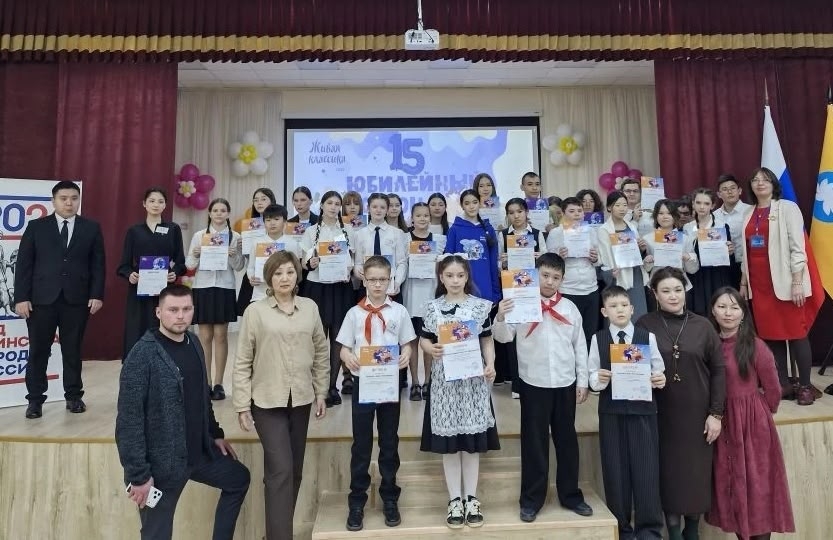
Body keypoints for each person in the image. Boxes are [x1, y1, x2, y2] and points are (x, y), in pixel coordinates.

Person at [116, 285, 249, 540]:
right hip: (162, 468)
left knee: (238, 479)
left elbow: (201, 397)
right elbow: (128, 422)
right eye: (173, 310)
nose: (180, 316)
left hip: (199, 454)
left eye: (186, 309)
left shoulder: (194, 343)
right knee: (156, 535)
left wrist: (215, 434)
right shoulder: (142, 355)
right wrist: (139, 476)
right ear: (158, 312)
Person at [234, 251, 328, 540]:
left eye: (289, 272)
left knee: (294, 471)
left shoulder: (310, 308)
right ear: (269, 278)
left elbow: (321, 351)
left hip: (301, 398)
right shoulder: (256, 312)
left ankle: (275, 533)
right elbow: (242, 360)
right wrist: (241, 404)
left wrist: (321, 390)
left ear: (297, 275)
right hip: (266, 401)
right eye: (278, 273)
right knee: (281, 470)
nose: (284, 278)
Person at [493, 253, 593, 522]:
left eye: (555, 277)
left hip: (564, 382)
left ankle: (570, 495)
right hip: (533, 382)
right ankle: (531, 499)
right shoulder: (520, 304)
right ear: (535, 275)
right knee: (534, 442)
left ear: (562, 280)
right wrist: (501, 315)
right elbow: (504, 337)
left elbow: (580, 346)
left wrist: (582, 380)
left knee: (567, 441)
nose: (549, 282)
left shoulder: (570, 308)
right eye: (545, 275)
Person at [636, 266, 726, 540]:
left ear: (686, 291)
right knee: (669, 476)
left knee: (696, 474)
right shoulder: (644, 325)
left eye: (678, 289)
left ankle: (692, 531)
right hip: (661, 414)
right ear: (655, 294)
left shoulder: (703, 326)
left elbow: (719, 371)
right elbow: (635, 367)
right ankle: (674, 532)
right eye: (666, 291)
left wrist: (716, 414)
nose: (673, 296)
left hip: (698, 414)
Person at [706, 287, 794, 540]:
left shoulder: (755, 346)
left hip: (752, 426)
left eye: (734, 307)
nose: (728, 313)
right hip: (722, 424)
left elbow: (773, 389)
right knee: (733, 486)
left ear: (743, 313)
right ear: (713, 311)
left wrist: (758, 413)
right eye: (722, 307)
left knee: (758, 489)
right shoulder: (709, 345)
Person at [336, 255, 416, 531]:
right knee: (361, 443)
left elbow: (408, 343)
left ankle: (390, 496)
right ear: (364, 281)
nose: (378, 285)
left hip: (389, 383)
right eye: (373, 280)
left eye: (383, 279)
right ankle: (357, 500)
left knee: (389, 441)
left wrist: (406, 354)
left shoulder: (399, 312)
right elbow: (344, 347)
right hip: (363, 383)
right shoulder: (354, 314)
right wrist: (347, 357)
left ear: (390, 280)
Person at [419, 254, 499, 528]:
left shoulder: (479, 307)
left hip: (473, 383)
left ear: (467, 277)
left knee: (471, 445)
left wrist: (490, 364)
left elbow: (487, 340)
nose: (455, 280)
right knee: (450, 446)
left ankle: (471, 498)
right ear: (441, 278)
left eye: (460, 276)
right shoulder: (432, 308)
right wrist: (430, 348)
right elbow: (424, 339)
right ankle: (454, 499)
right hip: (445, 384)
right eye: (450, 276)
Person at [14, 180, 106, 419]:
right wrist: (21, 297)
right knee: (38, 351)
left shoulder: (91, 228)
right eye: (63, 198)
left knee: (72, 350)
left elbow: (98, 265)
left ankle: (73, 396)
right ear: (53, 201)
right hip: (41, 300)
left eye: (74, 198)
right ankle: (35, 400)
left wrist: (97, 294)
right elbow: (24, 265)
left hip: (77, 299)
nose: (69, 203)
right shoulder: (36, 227)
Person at [740, 167, 824, 405]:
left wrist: (797, 282)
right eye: (755, 180)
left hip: (786, 284)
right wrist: (744, 282)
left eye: (765, 179)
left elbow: (798, 248)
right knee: (771, 336)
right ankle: (784, 384)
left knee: (797, 334)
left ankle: (805, 387)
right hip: (759, 286)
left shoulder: (787, 208)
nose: (760, 183)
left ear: (773, 184)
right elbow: (745, 251)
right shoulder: (748, 213)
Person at [588, 285, 666, 539]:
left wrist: (659, 379)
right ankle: (622, 529)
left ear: (632, 309)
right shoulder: (598, 339)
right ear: (604, 311)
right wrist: (598, 379)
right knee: (615, 471)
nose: (619, 310)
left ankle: (649, 530)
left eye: (623, 305)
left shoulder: (647, 337)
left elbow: (659, 370)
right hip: (611, 413)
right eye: (613, 306)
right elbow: (592, 376)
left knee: (647, 471)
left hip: (644, 412)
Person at [186, 198, 246, 401]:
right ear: (210, 213)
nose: (219, 213)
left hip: (224, 288)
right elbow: (189, 264)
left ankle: (219, 383)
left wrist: (232, 255)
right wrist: (195, 254)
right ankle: (206, 382)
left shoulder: (235, 236)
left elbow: (239, 266)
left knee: (221, 335)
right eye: (215, 210)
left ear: (228, 213)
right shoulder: (199, 236)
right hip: (202, 287)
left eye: (223, 210)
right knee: (204, 336)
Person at [300, 190, 356, 407]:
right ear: (321, 205)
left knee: (338, 337)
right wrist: (310, 263)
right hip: (317, 287)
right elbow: (304, 260)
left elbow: (353, 259)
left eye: (337, 204)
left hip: (340, 287)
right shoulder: (310, 231)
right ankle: (319, 388)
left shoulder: (348, 231)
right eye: (330, 203)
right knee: (318, 338)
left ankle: (332, 386)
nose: (333, 207)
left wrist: (349, 266)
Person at [117, 187, 186, 359]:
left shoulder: (173, 229)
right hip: (140, 290)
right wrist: (130, 275)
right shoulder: (134, 231)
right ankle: (136, 365)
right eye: (152, 201)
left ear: (165, 205)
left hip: (164, 291)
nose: (156, 205)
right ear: (144, 204)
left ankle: (164, 366)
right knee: (137, 330)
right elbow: (124, 265)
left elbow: (180, 262)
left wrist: (175, 272)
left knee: (163, 328)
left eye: (160, 201)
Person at [353, 193, 409, 388]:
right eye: (374, 207)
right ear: (368, 208)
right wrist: (359, 272)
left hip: (391, 290)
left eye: (382, 207)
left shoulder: (397, 234)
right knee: (369, 331)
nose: (378, 210)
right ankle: (370, 375)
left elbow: (401, 263)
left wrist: (396, 283)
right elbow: (357, 263)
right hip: (369, 290)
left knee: (393, 331)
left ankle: (398, 377)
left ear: (387, 210)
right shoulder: (360, 234)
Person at [497, 197, 548, 393]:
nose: (516, 216)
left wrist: (539, 258)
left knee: (532, 331)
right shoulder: (503, 235)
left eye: (519, 211)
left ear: (526, 212)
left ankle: (533, 380)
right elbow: (498, 266)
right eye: (511, 213)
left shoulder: (537, 234)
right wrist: (503, 262)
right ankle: (517, 384)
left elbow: (546, 262)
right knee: (513, 334)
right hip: (512, 290)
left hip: (532, 291)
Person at [546, 197, 601, 346]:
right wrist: (559, 257)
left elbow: (600, 260)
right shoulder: (556, 233)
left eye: (579, 210)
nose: (577, 214)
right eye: (571, 211)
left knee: (589, 333)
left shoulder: (591, 231)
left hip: (590, 288)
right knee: (567, 334)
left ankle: (588, 361)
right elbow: (547, 264)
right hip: (567, 289)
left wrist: (595, 258)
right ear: (563, 213)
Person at [597, 190, 650, 319]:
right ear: (609, 207)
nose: (622, 209)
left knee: (638, 311)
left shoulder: (631, 226)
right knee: (619, 313)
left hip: (635, 273)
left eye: (625, 205)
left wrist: (641, 248)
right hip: (617, 275)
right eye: (618, 205)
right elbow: (605, 256)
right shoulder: (604, 230)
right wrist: (611, 273)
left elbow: (636, 252)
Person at [683, 188, 735, 317]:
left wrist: (729, 251)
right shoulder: (686, 228)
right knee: (698, 312)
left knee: (718, 310)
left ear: (712, 205)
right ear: (693, 204)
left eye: (706, 203)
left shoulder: (722, 226)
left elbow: (729, 257)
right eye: (698, 202)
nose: (702, 207)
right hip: (696, 276)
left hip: (717, 275)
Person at [445, 189, 500, 307]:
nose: (471, 206)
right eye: (467, 203)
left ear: (480, 203)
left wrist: (496, 293)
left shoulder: (488, 229)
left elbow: (493, 263)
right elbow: (448, 263)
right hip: (461, 289)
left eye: (475, 202)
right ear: (462, 206)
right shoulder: (455, 229)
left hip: (485, 288)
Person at [403, 202, 435, 401]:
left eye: (426, 215)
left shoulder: (437, 240)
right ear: (412, 218)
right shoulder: (404, 239)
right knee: (412, 341)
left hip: (430, 297)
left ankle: (428, 381)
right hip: (411, 296)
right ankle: (415, 382)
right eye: (419, 215)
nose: (422, 219)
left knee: (428, 340)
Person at [641, 199, 698, 311]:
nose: (665, 217)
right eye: (661, 213)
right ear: (656, 216)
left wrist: (688, 259)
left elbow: (693, 270)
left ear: (675, 216)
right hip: (655, 287)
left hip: (681, 287)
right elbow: (645, 270)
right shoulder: (647, 239)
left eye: (669, 213)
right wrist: (647, 262)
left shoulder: (685, 239)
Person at [246, 204, 302, 304]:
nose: (272, 223)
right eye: (268, 220)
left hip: (285, 295)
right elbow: (250, 267)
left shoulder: (292, 243)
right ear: (264, 222)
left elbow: (296, 270)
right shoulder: (256, 243)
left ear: (284, 221)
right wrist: (251, 277)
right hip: (260, 294)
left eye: (276, 219)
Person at [236, 188, 277, 314]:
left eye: (263, 199)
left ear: (272, 201)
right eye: (256, 200)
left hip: (275, 275)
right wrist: (243, 248)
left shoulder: (279, 223)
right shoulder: (249, 226)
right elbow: (249, 259)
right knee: (251, 315)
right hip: (254, 275)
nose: (259, 203)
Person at [715, 175, 752, 290]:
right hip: (723, 266)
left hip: (747, 265)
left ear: (739, 191)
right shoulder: (714, 216)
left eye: (733, 188)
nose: (729, 192)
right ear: (719, 194)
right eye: (725, 189)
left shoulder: (750, 211)